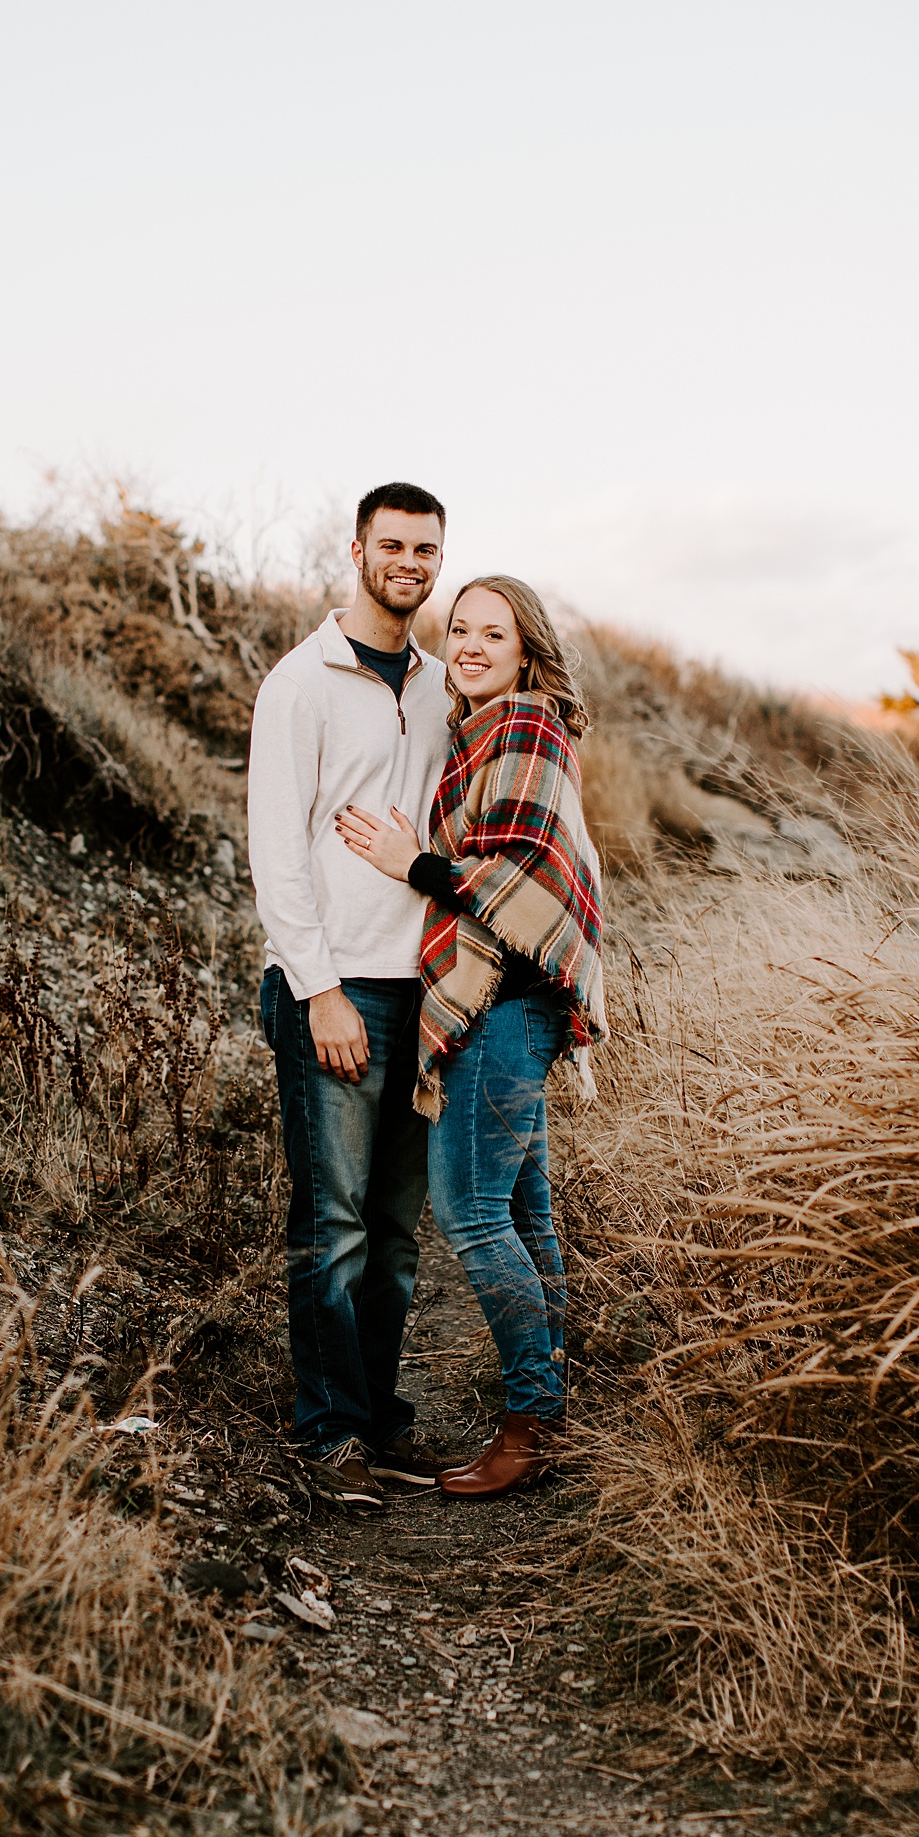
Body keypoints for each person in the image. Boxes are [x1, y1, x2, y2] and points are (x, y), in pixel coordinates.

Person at [335, 576, 608, 1498]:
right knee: (526, 1215)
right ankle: (548, 1412)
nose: (475, 646)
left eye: (496, 632)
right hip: (514, 1001)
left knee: (471, 1213)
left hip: (504, 999)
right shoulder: (479, 731)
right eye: (461, 631)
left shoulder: (525, 725)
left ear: (527, 647)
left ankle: (531, 1424)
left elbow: (519, 865)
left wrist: (407, 861)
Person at [247, 482, 454, 1509]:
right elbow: (276, 852)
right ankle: (330, 1436)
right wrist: (319, 989)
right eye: (394, 545)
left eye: (427, 548)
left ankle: (376, 1417)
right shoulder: (302, 683)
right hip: (337, 993)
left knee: (397, 1228)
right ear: (359, 549)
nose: (411, 563)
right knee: (332, 1224)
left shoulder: (439, 684)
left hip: (426, 996)